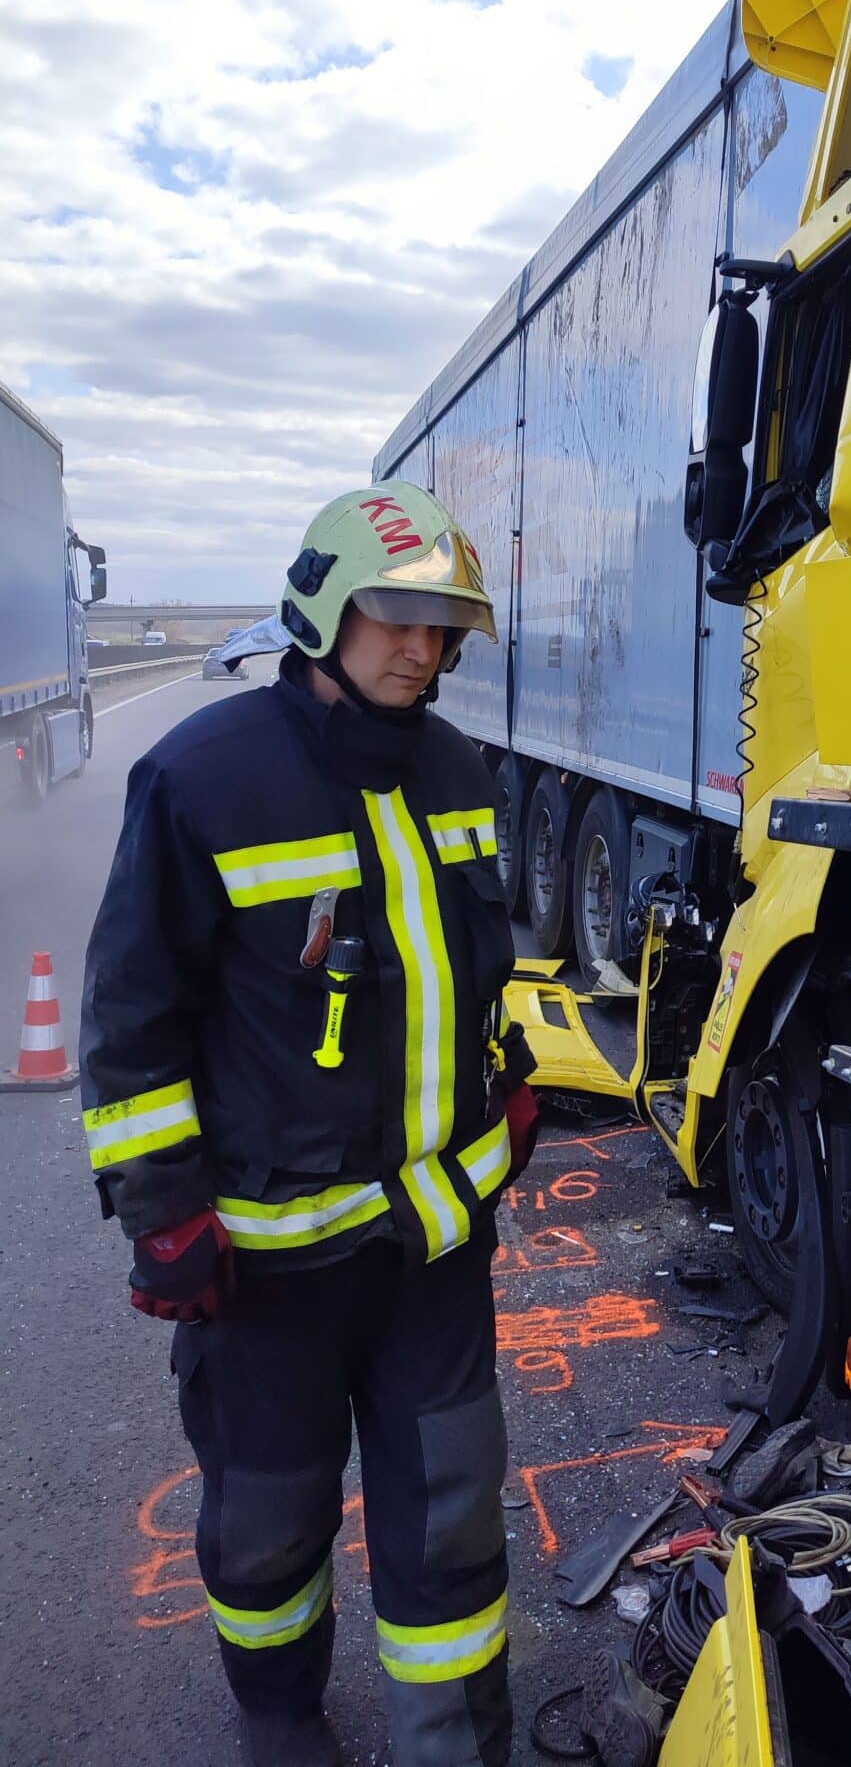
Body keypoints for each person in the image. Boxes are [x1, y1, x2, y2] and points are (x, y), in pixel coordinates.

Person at [79, 485, 539, 1767]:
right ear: (324, 611)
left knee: (451, 1520)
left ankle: (456, 1739)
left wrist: (505, 1082)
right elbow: (133, 1014)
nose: (421, 648)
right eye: (396, 617)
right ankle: (280, 1712)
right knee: (269, 1526)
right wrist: (162, 1211)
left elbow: (463, 971)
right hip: (268, 1266)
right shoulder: (203, 777)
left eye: (443, 627)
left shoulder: (458, 769)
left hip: (435, 1253)